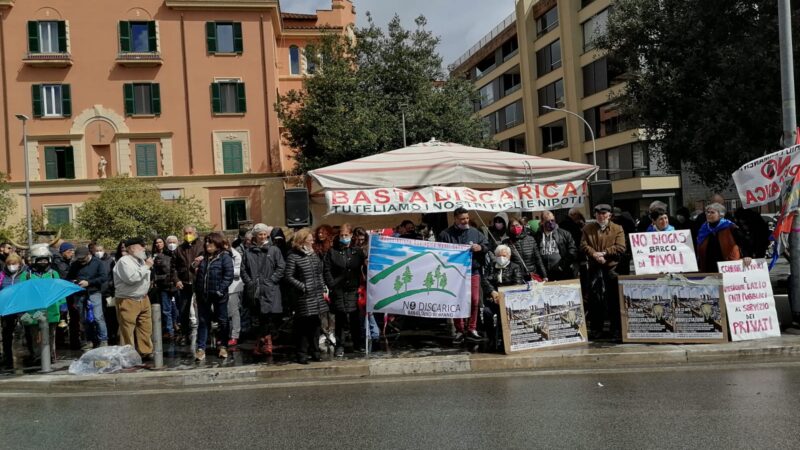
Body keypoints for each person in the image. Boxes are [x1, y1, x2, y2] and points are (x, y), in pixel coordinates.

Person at [438, 207, 489, 343]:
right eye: (462, 219)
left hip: (473, 271)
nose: (465, 221)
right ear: (455, 219)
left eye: (467, 218)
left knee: (474, 300)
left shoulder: (475, 232)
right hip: (454, 273)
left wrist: (480, 248)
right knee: (457, 300)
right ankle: (460, 330)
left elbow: (486, 245)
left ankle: (472, 328)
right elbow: (439, 252)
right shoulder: (445, 234)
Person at [581, 204, 627, 340]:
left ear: (609, 215)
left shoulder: (617, 228)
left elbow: (621, 247)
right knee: (595, 300)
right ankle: (596, 329)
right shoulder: (587, 228)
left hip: (611, 268)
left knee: (613, 300)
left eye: (604, 214)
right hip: (594, 268)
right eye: (598, 214)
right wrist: (594, 254)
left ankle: (616, 329)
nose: (601, 216)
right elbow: (583, 245)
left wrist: (605, 253)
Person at [285, 228, 328, 364]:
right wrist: (303, 286)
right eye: (310, 239)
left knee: (316, 325)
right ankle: (302, 354)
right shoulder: (293, 256)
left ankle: (315, 352)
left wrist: (323, 287)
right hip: (304, 297)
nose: (312, 241)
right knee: (303, 327)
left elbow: (319, 273)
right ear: (302, 241)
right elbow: (288, 276)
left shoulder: (313, 254)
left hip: (316, 295)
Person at [241, 223, 285, 356]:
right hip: (255, 290)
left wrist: (271, 281)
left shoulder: (274, 250)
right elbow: (243, 269)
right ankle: (262, 342)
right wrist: (250, 283)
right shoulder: (248, 252)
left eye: (264, 234)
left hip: (270, 289)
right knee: (259, 318)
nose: (262, 236)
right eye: (260, 234)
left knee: (269, 317)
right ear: (255, 235)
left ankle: (266, 343)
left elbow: (281, 267)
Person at [324, 223, 366, 357]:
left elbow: (362, 268)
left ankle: (358, 344)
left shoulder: (357, 251)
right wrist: (331, 284)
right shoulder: (332, 251)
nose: (343, 237)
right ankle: (340, 346)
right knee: (340, 319)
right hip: (338, 289)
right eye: (341, 235)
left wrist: (366, 264)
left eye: (346, 235)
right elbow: (327, 270)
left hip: (353, 289)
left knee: (355, 318)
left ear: (351, 235)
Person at [20, 244, 65, 364]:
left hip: (52, 310)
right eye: (40, 260)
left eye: (45, 259)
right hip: (33, 311)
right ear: (34, 260)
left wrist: (63, 306)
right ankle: (37, 356)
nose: (43, 262)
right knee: (36, 336)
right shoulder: (27, 275)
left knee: (51, 335)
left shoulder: (53, 273)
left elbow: (59, 291)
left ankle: (50, 355)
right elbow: (22, 293)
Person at [194, 232, 234, 361]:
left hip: (219, 294)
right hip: (203, 294)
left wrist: (220, 290)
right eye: (206, 242)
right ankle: (201, 348)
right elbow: (193, 270)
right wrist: (194, 264)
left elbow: (228, 275)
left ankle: (223, 346)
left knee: (222, 320)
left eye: (210, 242)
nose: (207, 244)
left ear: (217, 244)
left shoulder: (224, 257)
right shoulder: (203, 257)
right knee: (203, 321)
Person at [113, 237, 154, 358]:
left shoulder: (141, 260)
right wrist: (146, 266)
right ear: (131, 248)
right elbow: (132, 279)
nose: (143, 248)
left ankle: (145, 351)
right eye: (140, 245)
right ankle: (128, 355)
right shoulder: (124, 261)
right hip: (128, 299)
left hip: (143, 298)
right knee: (127, 330)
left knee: (145, 327)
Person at [481, 245, 524, 351]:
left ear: (509, 256)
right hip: (493, 299)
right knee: (486, 312)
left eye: (504, 256)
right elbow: (484, 280)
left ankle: (504, 339)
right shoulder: (491, 266)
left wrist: (503, 296)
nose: (501, 258)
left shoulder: (515, 267)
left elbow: (517, 285)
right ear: (495, 256)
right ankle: (491, 338)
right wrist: (493, 292)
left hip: (509, 301)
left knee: (503, 316)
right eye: (499, 256)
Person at [66, 246, 109, 350]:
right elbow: (69, 277)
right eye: (79, 259)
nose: (81, 261)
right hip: (80, 294)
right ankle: (88, 340)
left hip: (94, 292)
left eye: (83, 258)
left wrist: (89, 283)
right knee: (83, 319)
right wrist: (74, 282)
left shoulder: (97, 263)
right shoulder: (75, 264)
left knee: (98, 317)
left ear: (89, 255)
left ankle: (103, 340)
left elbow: (103, 277)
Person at [697, 203, 752, 272]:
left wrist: (746, 255)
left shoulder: (730, 227)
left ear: (721, 215)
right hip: (709, 267)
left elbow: (743, 242)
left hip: (727, 267)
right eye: (707, 212)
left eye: (712, 212)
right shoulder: (703, 229)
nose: (708, 214)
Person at [174, 225, 204, 345]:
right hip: (184, 283)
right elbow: (173, 267)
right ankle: (185, 335)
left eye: (190, 232)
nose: (188, 235)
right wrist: (176, 280)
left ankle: (204, 335)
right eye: (186, 233)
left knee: (202, 309)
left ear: (195, 233)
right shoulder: (179, 249)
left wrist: (203, 257)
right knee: (183, 310)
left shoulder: (202, 246)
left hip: (199, 281)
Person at [534, 211, 578, 281]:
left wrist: (562, 266)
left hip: (562, 272)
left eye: (552, 220)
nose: (551, 223)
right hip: (545, 273)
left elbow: (572, 250)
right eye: (548, 221)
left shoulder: (564, 234)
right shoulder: (537, 236)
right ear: (542, 222)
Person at [1, 253, 26, 368]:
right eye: (9, 264)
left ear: (19, 264)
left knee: (27, 332)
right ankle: (8, 358)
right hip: (7, 308)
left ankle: (30, 355)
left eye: (14, 263)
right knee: (7, 334)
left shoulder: (25, 274)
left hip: (22, 307)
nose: (12, 266)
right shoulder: (2, 275)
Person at [313, 224, 336, 350]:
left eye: (322, 232)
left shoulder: (331, 248)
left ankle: (331, 331)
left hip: (330, 281)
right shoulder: (315, 248)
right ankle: (324, 331)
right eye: (319, 232)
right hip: (319, 281)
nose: (320, 235)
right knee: (321, 309)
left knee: (331, 309)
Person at [503, 216, 547, 281]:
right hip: (516, 277)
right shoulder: (506, 243)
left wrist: (544, 275)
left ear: (522, 225)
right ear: (509, 228)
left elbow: (538, 259)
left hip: (531, 276)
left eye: (517, 225)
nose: (515, 227)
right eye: (512, 226)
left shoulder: (531, 239)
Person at [151, 237, 178, 340]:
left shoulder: (171, 253)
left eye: (160, 242)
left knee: (175, 308)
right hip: (163, 286)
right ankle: (170, 330)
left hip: (174, 284)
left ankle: (176, 326)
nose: (158, 244)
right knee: (166, 309)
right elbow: (156, 273)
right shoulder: (155, 256)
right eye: (156, 242)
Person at [224, 238, 244, 349]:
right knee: (225, 313)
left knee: (234, 312)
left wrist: (225, 270)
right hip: (223, 287)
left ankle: (235, 335)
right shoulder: (221, 254)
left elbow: (238, 271)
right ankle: (226, 335)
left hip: (233, 287)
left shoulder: (235, 254)